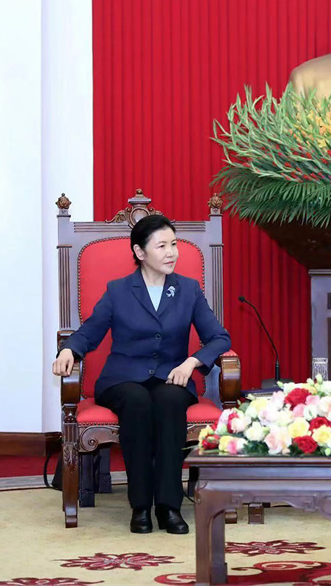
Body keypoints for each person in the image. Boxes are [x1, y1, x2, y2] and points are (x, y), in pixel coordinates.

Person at [52, 215, 231, 534]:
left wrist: (191, 362)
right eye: (162, 246)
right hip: (122, 379)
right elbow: (90, 331)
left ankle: (169, 507)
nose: (171, 252)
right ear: (139, 252)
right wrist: (69, 350)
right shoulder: (118, 291)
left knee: (169, 402)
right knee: (137, 402)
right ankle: (140, 506)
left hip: (171, 377)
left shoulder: (188, 290)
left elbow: (219, 337)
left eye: (174, 244)